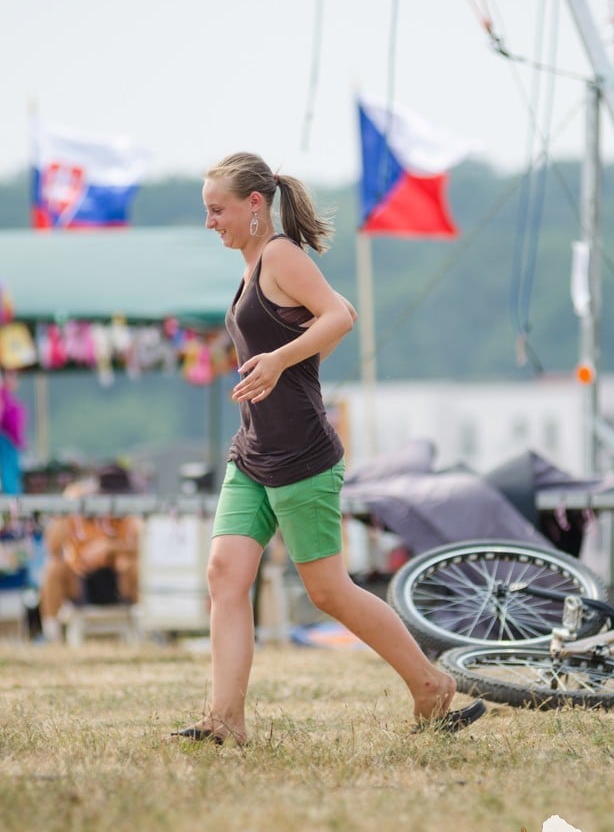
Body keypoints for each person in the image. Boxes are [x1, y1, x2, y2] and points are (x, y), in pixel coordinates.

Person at [172, 152, 485, 744]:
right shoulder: (252, 266)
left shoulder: (281, 255)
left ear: (255, 205)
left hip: (302, 455)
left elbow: (340, 315)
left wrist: (283, 363)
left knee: (328, 591)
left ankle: (430, 686)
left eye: (217, 210)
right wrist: (291, 369)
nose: (210, 221)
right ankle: (225, 721)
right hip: (254, 452)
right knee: (224, 574)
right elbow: (337, 315)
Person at [39, 465, 141, 642]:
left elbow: (143, 546)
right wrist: (67, 506)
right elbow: (53, 547)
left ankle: (147, 629)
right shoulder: (77, 505)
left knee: (138, 567)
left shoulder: (125, 512)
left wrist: (109, 546)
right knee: (53, 569)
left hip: (116, 576)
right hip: (80, 576)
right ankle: (52, 636)